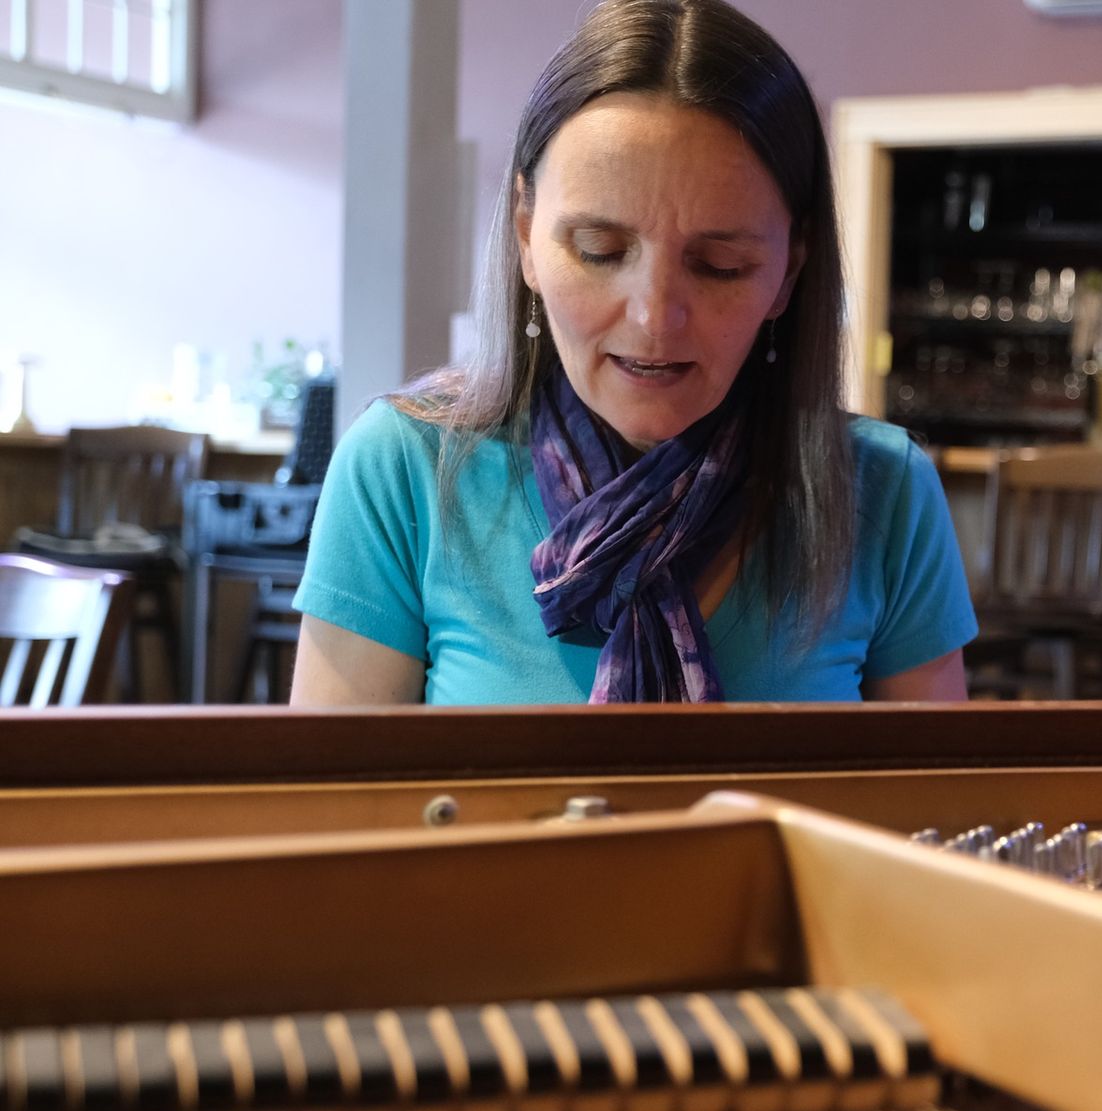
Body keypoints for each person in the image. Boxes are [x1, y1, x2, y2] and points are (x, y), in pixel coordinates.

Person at [291, 0, 975, 705]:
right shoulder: (408, 468)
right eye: (600, 251)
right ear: (526, 237)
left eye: (720, 266)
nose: (654, 318)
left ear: (789, 273)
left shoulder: (883, 490)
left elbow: (930, 778)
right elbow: (335, 778)